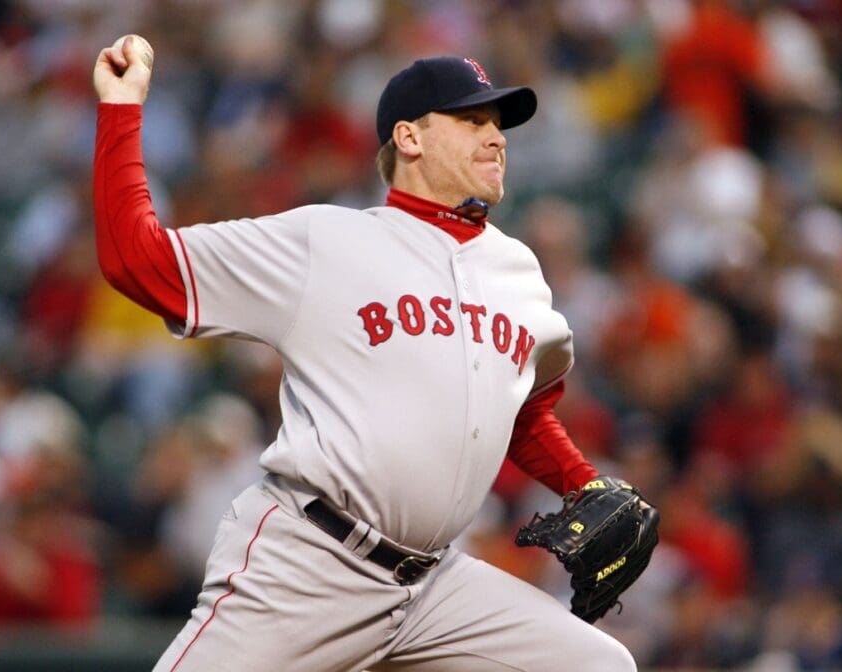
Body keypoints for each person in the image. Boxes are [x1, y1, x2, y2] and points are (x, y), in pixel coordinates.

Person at [93, 36, 640, 671]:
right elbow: (136, 260)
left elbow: (520, 410)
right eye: (472, 121)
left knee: (599, 666)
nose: (496, 138)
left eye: (498, 123)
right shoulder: (325, 239)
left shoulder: (518, 271)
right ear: (409, 138)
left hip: (435, 588)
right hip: (310, 564)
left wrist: (582, 482)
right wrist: (122, 108)